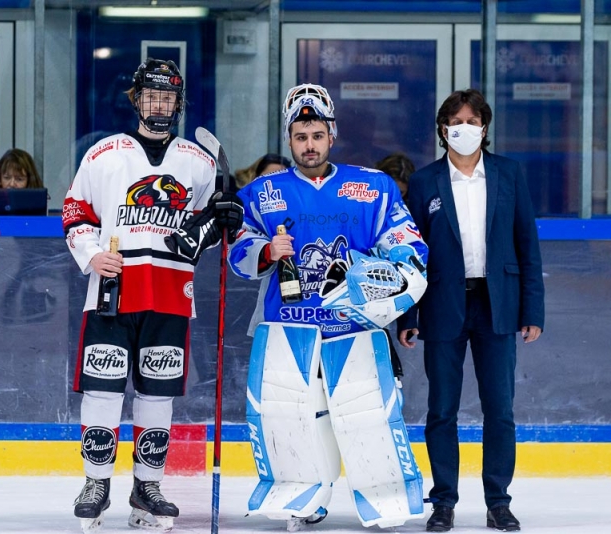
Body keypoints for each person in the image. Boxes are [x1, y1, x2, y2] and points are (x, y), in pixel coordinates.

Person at [227, 83, 429, 529]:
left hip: (352, 326)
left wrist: (392, 271)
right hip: (288, 327)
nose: (309, 145)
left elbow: (406, 242)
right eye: (300, 137)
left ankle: (387, 497)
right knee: (289, 417)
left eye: (317, 135)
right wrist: (265, 250)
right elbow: (237, 250)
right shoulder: (262, 192)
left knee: (367, 418)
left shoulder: (371, 187)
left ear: (331, 135)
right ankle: (305, 497)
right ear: (289, 139)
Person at [62, 58, 240, 532]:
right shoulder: (104, 154)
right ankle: (95, 481)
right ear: (136, 99)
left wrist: (225, 218)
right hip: (113, 292)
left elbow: (209, 230)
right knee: (102, 389)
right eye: (151, 96)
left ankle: (148, 484)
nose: (158, 104)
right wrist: (90, 254)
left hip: (170, 294)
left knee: (157, 394)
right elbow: (74, 209)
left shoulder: (199, 162)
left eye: (167, 97)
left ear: (177, 104)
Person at [397, 88, 545, 533]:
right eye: (455, 122)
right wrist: (408, 316)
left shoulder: (508, 174)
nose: (464, 129)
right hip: (443, 304)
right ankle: (443, 502)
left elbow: (527, 247)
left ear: (485, 126)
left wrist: (532, 310)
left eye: (472, 121)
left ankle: (498, 501)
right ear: (444, 131)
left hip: (497, 304)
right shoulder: (424, 183)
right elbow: (409, 254)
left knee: (500, 409)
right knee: (441, 409)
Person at [374, 152, 417, 379]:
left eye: (400, 193)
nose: (394, 198)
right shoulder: (365, 208)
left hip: (399, 288)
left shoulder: (411, 216)